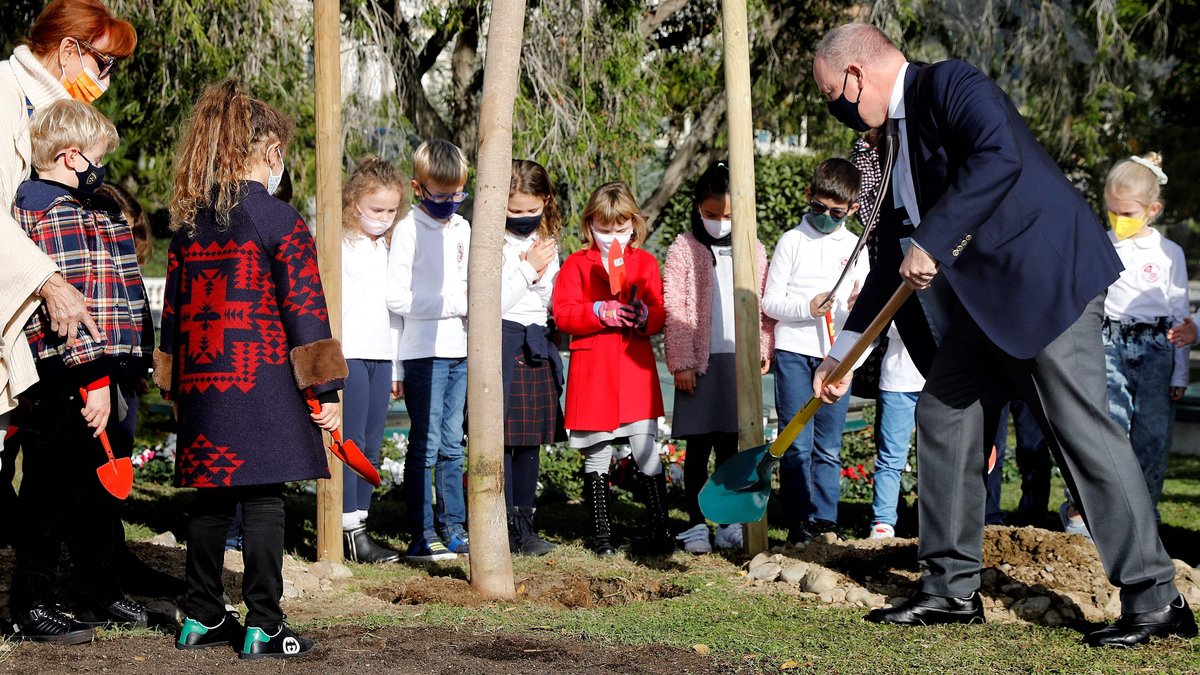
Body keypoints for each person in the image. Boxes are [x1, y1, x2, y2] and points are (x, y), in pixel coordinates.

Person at [810, 22, 1194, 647]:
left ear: (857, 75)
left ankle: (1155, 600)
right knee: (944, 414)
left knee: (1080, 433)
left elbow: (999, 157)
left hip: (1046, 283)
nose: (838, 113)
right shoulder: (890, 145)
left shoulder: (950, 84)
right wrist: (840, 355)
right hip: (983, 308)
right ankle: (950, 590)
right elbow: (888, 255)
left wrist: (933, 240)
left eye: (834, 96)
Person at [159, 79, 344, 659]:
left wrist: (173, 385)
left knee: (211, 500)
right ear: (270, 153)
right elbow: (305, 310)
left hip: (204, 384)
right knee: (264, 500)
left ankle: (200, 617)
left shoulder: (187, 225)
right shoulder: (279, 220)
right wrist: (326, 387)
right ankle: (263, 623)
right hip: (261, 383)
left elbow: (172, 312)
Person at [9, 99, 148, 643]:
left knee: (94, 493)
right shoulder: (53, 213)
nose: (101, 169)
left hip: (93, 374)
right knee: (48, 493)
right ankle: (31, 603)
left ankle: (100, 592)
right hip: (66, 377)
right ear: (71, 158)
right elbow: (71, 311)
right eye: (96, 158)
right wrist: (93, 380)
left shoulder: (79, 206)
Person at [1, 0, 133, 451]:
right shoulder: (3, 94)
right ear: (69, 50)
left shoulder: (49, 117)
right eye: (104, 63)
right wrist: (51, 283)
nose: (107, 79)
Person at [553, 182, 669, 556]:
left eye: (621, 229)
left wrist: (644, 315)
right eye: (605, 230)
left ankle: (660, 528)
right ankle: (602, 534)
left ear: (634, 225)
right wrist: (596, 311)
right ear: (590, 226)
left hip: (634, 368)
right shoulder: (575, 263)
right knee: (596, 450)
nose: (613, 236)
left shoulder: (645, 262)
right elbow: (564, 313)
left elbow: (660, 312)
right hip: (594, 367)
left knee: (645, 447)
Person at [663, 160, 773, 553]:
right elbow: (675, 305)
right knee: (697, 448)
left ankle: (727, 522)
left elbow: (762, 305)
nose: (719, 223)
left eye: (727, 216)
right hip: (699, 362)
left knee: (732, 446)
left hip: (737, 363)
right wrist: (681, 361)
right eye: (711, 215)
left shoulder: (754, 249)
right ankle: (694, 523)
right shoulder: (684, 250)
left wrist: (762, 348)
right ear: (697, 209)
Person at [761, 158, 867, 544]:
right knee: (795, 442)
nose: (825, 217)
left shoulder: (856, 247)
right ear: (809, 197)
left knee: (828, 446)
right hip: (794, 352)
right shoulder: (792, 240)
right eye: (818, 207)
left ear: (852, 210)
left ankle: (825, 522)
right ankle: (797, 521)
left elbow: (867, 313)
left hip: (838, 357)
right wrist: (808, 307)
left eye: (835, 213)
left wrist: (856, 307)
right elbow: (770, 302)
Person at [385, 139, 472, 562]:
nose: (451, 203)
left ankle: (453, 525)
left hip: (461, 351)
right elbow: (397, 299)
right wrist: (454, 305)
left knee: (454, 443)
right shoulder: (407, 230)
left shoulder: (463, 228)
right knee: (426, 441)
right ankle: (421, 532)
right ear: (419, 188)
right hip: (424, 353)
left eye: (458, 194)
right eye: (441, 195)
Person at [1094, 153, 1187, 520]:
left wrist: (1179, 373)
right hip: (1108, 343)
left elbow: (1180, 316)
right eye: (1112, 212)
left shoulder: (1169, 254)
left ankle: (1144, 516)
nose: (1119, 220)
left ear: (1153, 209)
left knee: (1151, 436)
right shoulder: (1100, 245)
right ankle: (1102, 515)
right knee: (1109, 426)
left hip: (1155, 348)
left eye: (1128, 214)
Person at [339, 156, 405, 563]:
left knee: (374, 444)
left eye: (392, 211)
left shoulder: (391, 248)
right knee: (352, 443)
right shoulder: (341, 244)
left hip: (382, 354)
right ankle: (348, 527)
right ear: (354, 202)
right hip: (349, 353)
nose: (384, 218)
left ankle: (363, 520)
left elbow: (396, 314)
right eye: (376, 209)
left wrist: (396, 366)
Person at [500, 159, 565, 557]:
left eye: (531, 210)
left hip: (535, 342)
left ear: (545, 202)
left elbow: (546, 301)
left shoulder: (546, 240)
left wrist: (539, 274)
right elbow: (494, 301)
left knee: (530, 443)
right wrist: (527, 270)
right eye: (515, 211)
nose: (524, 218)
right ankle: (500, 525)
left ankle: (525, 528)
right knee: (502, 441)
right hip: (501, 340)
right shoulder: (490, 243)